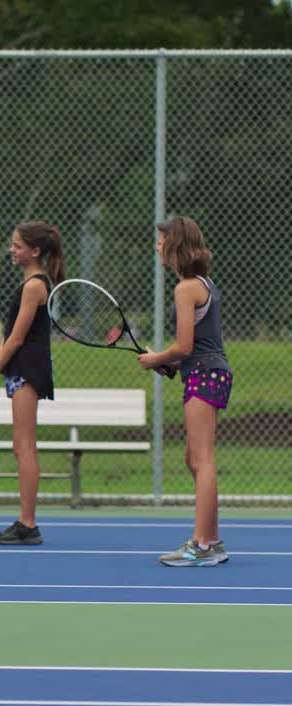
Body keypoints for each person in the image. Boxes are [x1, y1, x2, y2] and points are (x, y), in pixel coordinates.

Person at [0, 222, 65, 546]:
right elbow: (8, 338)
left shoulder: (35, 285)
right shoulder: (29, 284)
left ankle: (28, 524)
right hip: (22, 368)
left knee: (25, 446)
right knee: (21, 446)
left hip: (29, 370)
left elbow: (17, 339)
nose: (11, 249)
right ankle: (26, 521)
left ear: (34, 251)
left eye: (17, 245)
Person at [139, 216, 231, 567]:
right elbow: (197, 346)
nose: (158, 246)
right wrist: (170, 364)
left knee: (203, 460)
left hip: (205, 373)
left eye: (162, 240)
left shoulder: (185, 288)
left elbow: (184, 345)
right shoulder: (202, 283)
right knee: (194, 459)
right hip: (207, 372)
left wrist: (156, 359)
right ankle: (213, 540)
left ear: (175, 244)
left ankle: (201, 545)